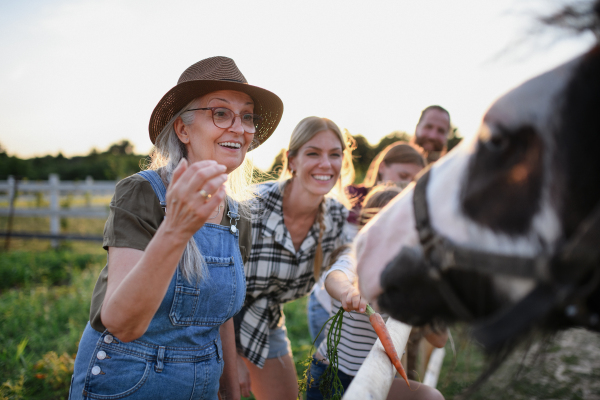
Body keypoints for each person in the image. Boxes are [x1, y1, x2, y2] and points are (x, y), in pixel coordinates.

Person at [69, 56, 283, 400]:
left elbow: (220, 313)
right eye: (221, 113)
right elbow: (122, 323)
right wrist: (176, 228)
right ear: (183, 130)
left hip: (202, 387)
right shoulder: (143, 193)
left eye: (247, 117)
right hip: (126, 382)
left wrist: (230, 391)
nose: (240, 128)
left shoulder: (235, 213)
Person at [235, 116, 355, 400]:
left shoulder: (337, 218)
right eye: (313, 153)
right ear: (292, 160)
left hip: (265, 320)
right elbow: (214, 287)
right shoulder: (252, 205)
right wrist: (231, 359)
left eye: (335, 155)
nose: (326, 164)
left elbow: (350, 264)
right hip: (212, 321)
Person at [306, 186, 446, 400]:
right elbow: (335, 277)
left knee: (431, 397)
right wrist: (348, 292)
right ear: (368, 226)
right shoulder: (356, 255)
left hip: (380, 376)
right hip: (332, 373)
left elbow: (439, 340)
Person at [306, 143, 426, 352]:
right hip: (330, 300)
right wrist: (346, 290)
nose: (407, 185)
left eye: (414, 181)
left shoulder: (406, 213)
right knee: (334, 357)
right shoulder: (353, 200)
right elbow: (346, 260)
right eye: (403, 174)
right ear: (383, 167)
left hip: (364, 310)